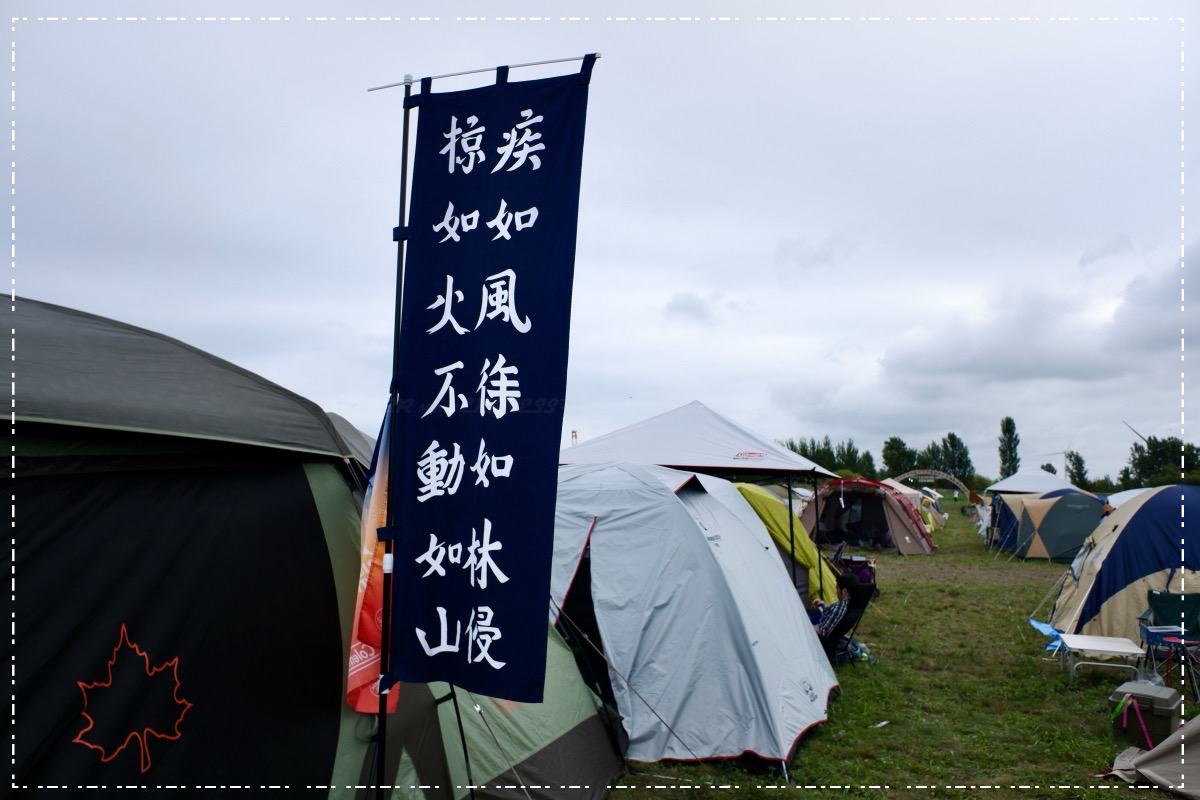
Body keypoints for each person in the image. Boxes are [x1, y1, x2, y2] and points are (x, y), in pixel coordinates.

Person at [813, 572, 862, 638]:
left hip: (818, 636)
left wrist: (805, 627)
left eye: (837, 588)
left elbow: (822, 631)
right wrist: (823, 605)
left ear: (844, 591)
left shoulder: (840, 607)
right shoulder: (850, 604)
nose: (836, 592)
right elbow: (833, 616)